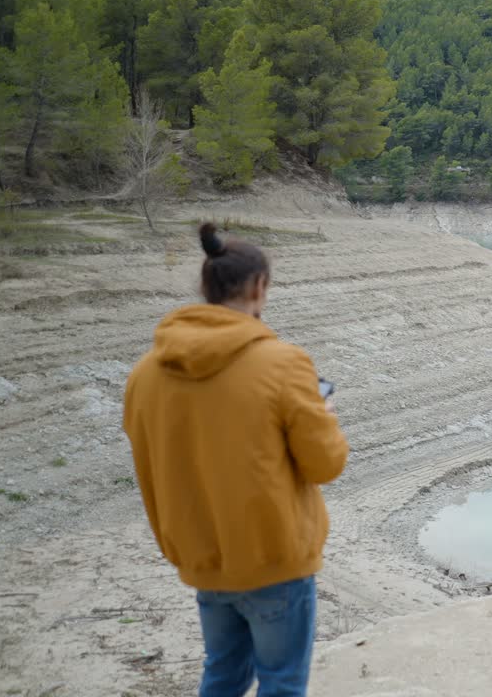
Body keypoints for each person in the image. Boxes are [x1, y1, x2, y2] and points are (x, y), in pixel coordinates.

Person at [123, 222, 349, 697]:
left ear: (206, 286)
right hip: (274, 557)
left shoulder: (146, 372)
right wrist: (323, 415)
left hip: (204, 553)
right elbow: (325, 464)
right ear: (260, 287)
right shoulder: (282, 363)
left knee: (222, 675)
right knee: (282, 682)